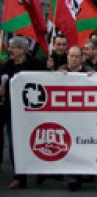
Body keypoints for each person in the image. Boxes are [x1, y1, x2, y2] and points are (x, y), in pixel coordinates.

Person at [2, 36, 44, 190]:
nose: (10, 50)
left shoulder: (35, 65)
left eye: (13, 47)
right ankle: (19, 177)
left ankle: (42, 172)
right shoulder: (7, 66)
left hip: (34, 113)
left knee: (38, 142)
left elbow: (49, 79)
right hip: (12, 112)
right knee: (14, 145)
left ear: (22, 50)